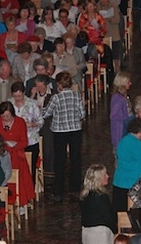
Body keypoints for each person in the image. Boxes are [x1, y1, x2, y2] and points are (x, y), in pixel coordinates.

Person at [42, 71, 85, 202]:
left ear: (59, 85)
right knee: (75, 159)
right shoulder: (76, 95)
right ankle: (75, 188)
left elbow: (46, 113)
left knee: (59, 161)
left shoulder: (56, 97)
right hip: (75, 130)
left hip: (60, 131)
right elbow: (82, 114)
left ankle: (58, 191)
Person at [0, 101, 36, 206]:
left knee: (16, 164)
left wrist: (13, 145)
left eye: (8, 116)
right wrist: (3, 145)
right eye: (3, 116)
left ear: (12, 114)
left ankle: (20, 201)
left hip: (15, 152)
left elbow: (24, 142)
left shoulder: (20, 122)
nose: (5, 118)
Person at [112, 118, 141, 212]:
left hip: (119, 181)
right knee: (132, 215)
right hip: (131, 183)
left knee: (119, 215)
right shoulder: (136, 144)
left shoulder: (124, 140)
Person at [9, 82, 43, 182]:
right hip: (14, 141)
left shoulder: (32, 104)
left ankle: (30, 190)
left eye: (19, 96)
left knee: (29, 168)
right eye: (15, 96)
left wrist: (31, 124)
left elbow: (40, 121)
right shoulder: (9, 104)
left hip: (30, 140)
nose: (17, 98)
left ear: (24, 93)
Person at [80, 164, 117, 244]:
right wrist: (116, 231)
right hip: (99, 235)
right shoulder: (101, 197)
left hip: (87, 233)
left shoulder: (85, 195)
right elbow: (108, 217)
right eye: (105, 175)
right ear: (99, 178)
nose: (108, 176)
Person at [110, 72, 131, 148]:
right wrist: (127, 118)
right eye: (128, 82)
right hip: (119, 131)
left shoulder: (123, 95)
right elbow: (113, 116)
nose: (130, 83)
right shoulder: (118, 98)